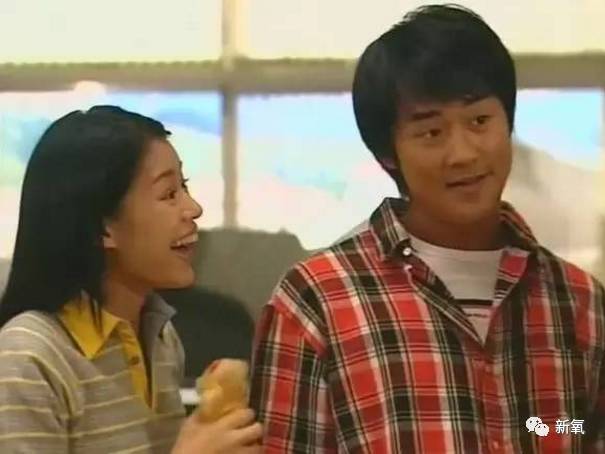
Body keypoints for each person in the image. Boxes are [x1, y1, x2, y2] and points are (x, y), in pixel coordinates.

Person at [250, 5, 605, 453]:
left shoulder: (578, 301)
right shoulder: (317, 302)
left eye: (479, 121)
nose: (464, 153)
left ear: (509, 123)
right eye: (432, 132)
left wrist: (546, 429)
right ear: (387, 154)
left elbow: (574, 432)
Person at [0, 106, 262, 453]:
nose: (194, 208)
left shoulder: (161, 336)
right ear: (103, 228)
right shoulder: (28, 357)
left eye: (184, 186)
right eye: (168, 194)